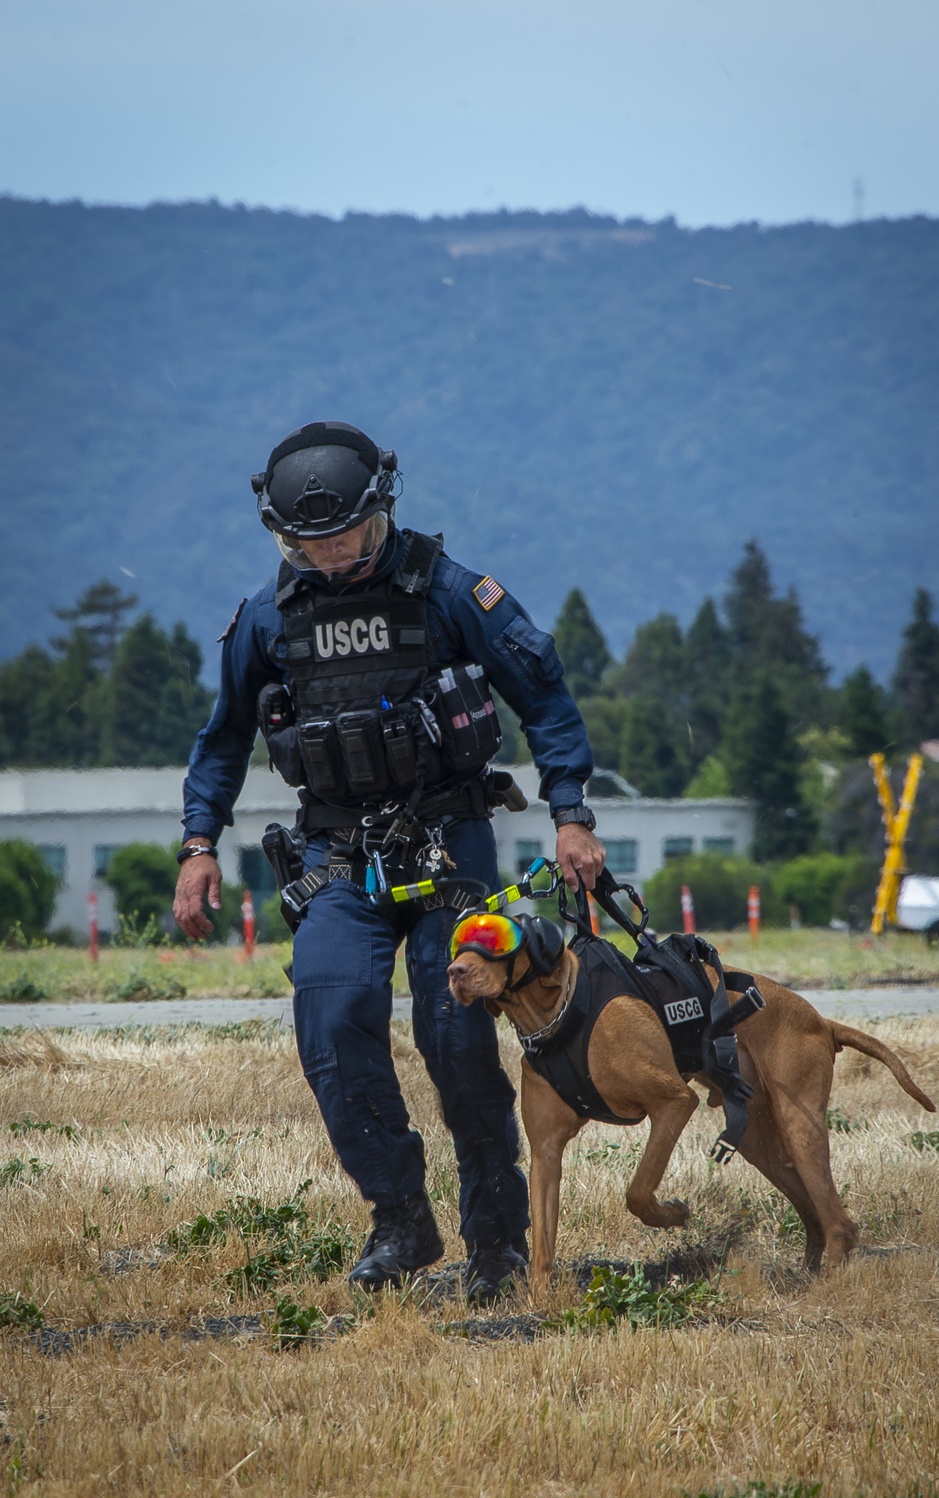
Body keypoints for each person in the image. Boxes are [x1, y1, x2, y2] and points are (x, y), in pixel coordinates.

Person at [173, 420, 604, 1302]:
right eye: (308, 541)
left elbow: (545, 697)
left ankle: (497, 1240)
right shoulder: (266, 618)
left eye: (345, 535)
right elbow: (221, 744)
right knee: (331, 1017)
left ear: (383, 510)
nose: (329, 555)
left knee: (454, 1033)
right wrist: (197, 846)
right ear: (280, 533)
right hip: (337, 852)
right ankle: (400, 1220)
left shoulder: (452, 594)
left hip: (449, 840)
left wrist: (571, 815)